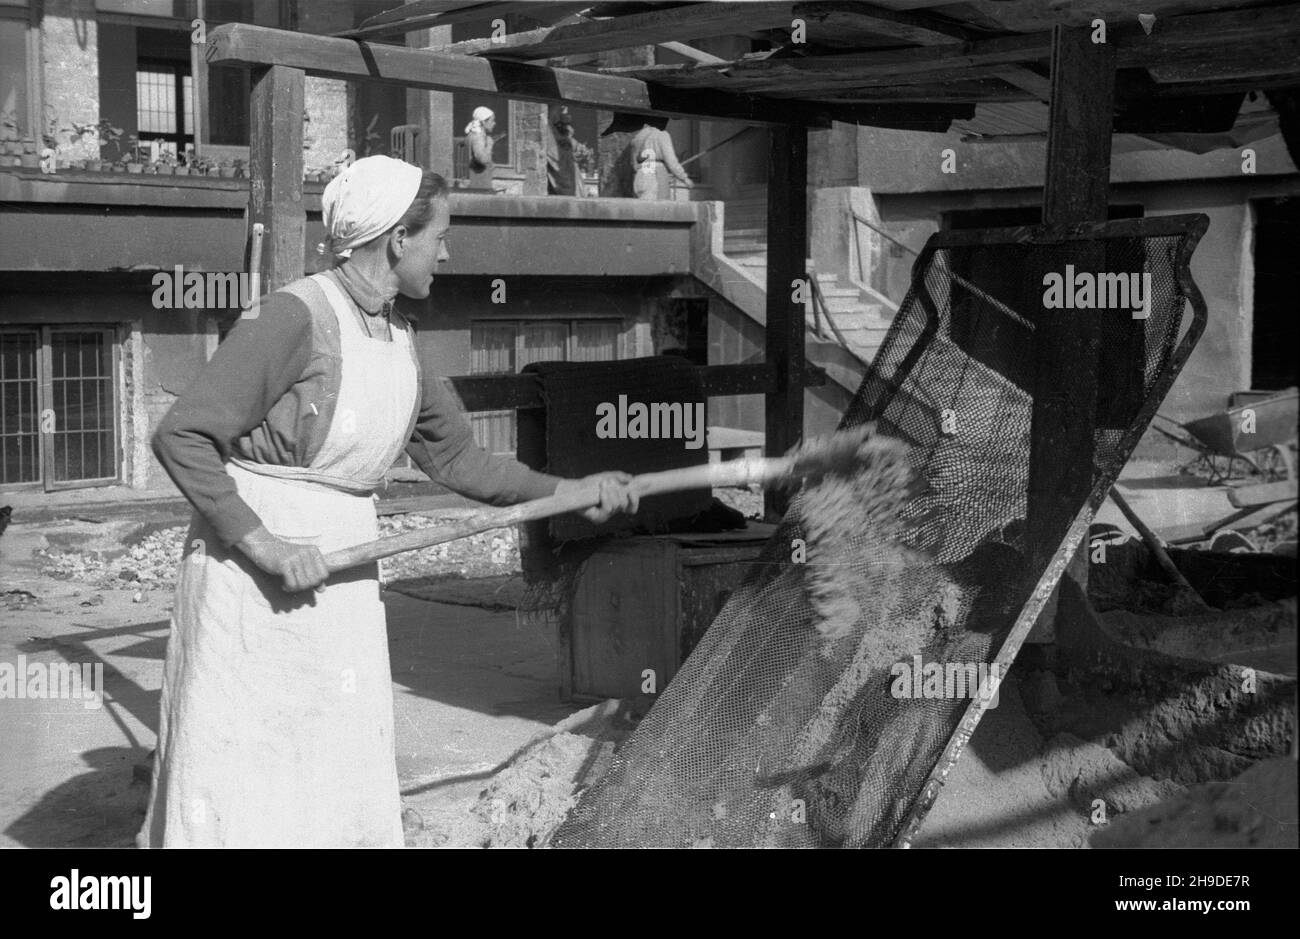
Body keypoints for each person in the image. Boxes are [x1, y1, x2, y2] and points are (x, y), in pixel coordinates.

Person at [140, 156, 638, 847]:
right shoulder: (293, 315)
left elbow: (461, 459)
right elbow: (183, 433)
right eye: (439, 236)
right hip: (248, 579)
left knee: (328, 758)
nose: (448, 251)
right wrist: (263, 543)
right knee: (243, 759)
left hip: (339, 579)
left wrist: (567, 491)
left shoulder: (403, 341)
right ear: (398, 239)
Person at [603, 114, 693, 200]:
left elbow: (633, 163)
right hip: (656, 174)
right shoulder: (662, 135)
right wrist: (684, 178)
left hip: (640, 175)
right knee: (659, 209)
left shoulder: (638, 137)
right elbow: (671, 161)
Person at [546, 107, 585, 197]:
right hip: (562, 160)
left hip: (569, 163)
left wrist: (578, 149)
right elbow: (553, 152)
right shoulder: (551, 133)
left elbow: (572, 143)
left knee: (575, 186)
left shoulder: (566, 134)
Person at [464, 106, 497, 191]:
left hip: (479, 181)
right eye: (492, 120)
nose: (494, 123)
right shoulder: (478, 136)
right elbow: (482, 159)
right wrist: (489, 144)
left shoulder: (476, 135)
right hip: (479, 184)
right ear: (483, 122)